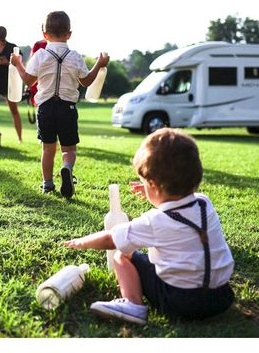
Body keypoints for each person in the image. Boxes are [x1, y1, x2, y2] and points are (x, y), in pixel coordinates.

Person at [64, 128, 235, 324]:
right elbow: (178, 204)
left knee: (123, 254)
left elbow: (111, 238)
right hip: (221, 296)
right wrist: (154, 194)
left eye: (145, 183)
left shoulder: (154, 221)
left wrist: (81, 242)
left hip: (180, 302)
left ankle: (133, 305)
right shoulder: (205, 203)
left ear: (153, 185)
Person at [10, 11, 109, 198]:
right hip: (67, 109)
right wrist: (99, 63)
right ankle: (66, 167)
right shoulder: (75, 56)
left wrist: (17, 64)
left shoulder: (40, 55)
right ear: (69, 34)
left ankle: (47, 185)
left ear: (44, 34)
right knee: (69, 149)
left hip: (46, 108)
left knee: (48, 148)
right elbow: (86, 81)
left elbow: (28, 80)